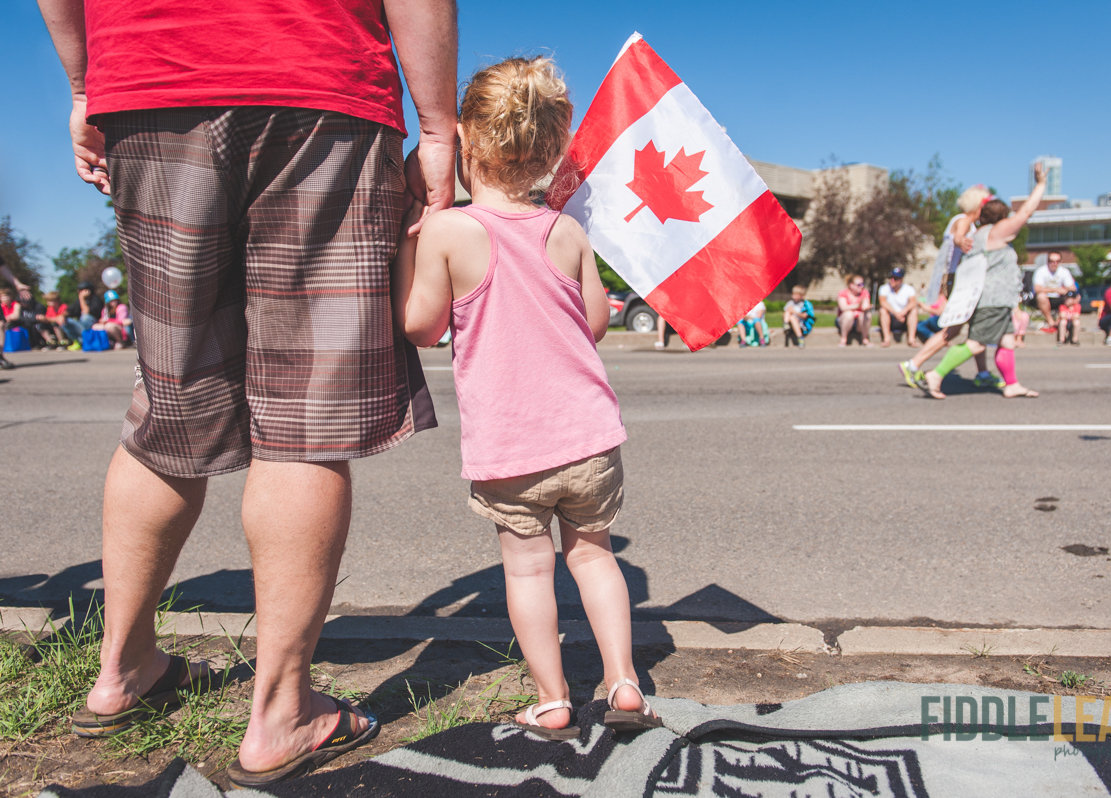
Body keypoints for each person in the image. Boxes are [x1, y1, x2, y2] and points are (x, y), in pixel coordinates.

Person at [38, 0, 456, 786]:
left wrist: (84, 86)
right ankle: (281, 713)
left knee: (169, 399)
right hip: (317, 81)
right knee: (306, 417)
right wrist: (437, 130)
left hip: (150, 76)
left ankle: (121, 671)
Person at [394, 55, 662, 740]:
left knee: (527, 568)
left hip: (510, 446)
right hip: (588, 437)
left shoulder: (450, 231)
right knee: (594, 555)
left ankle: (552, 696)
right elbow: (596, 322)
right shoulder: (567, 231)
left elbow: (421, 327)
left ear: (464, 141)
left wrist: (406, 245)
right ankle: (623, 681)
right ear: (551, 150)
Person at [921, 163, 1048, 400]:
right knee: (977, 344)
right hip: (992, 300)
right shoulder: (997, 232)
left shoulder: (977, 236)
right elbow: (1026, 212)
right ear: (1002, 217)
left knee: (1007, 341)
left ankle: (1012, 384)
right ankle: (936, 375)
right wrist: (1041, 184)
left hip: (991, 299)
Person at [898, 186, 992, 386]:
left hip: (956, 279)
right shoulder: (964, 220)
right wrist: (962, 242)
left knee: (976, 328)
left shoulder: (962, 220)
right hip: (959, 281)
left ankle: (983, 374)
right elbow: (958, 236)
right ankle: (912, 365)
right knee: (954, 330)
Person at [1032, 252, 1077, 332]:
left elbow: (1072, 288)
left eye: (1057, 261)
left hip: (1059, 298)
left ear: (1060, 262)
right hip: (1044, 299)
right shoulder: (1041, 271)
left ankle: (1063, 321)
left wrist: (1065, 290)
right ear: (1047, 261)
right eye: (1051, 261)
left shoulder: (1064, 271)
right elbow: (1037, 288)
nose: (1054, 263)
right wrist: (1056, 290)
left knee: (1074, 297)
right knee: (1041, 296)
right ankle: (1051, 322)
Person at [877, 267, 918, 347]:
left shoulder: (909, 289)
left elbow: (913, 302)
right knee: (883, 310)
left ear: (901, 279)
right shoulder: (884, 288)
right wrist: (896, 313)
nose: (892, 280)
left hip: (904, 319)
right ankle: (886, 339)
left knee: (914, 311)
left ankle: (911, 339)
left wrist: (903, 312)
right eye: (891, 277)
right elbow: (883, 302)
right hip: (891, 317)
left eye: (895, 278)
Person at [64, 281, 104, 350]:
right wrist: (62, 316)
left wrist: (82, 299)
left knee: (85, 318)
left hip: (95, 328)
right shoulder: (78, 301)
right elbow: (69, 311)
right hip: (83, 328)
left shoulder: (96, 300)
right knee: (66, 321)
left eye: (82, 290)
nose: (79, 292)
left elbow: (86, 312)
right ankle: (78, 342)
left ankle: (88, 341)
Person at [837, 274, 872, 346]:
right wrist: (857, 306)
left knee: (867, 314)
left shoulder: (864, 292)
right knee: (849, 314)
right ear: (851, 285)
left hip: (859, 322)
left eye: (863, 284)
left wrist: (866, 307)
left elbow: (865, 305)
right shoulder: (843, 293)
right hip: (844, 321)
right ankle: (843, 339)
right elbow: (843, 307)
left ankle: (865, 338)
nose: (862, 286)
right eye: (859, 284)